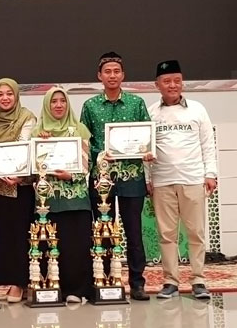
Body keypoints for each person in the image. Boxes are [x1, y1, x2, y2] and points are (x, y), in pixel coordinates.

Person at [80, 51, 154, 301]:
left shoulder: (136, 103)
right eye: (107, 71)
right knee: (103, 229)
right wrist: (96, 161)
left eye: (116, 71)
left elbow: (147, 137)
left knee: (134, 231)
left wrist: (147, 152)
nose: (112, 75)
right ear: (99, 76)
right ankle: (107, 279)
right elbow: (84, 143)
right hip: (102, 179)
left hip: (132, 176)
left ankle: (137, 283)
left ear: (123, 75)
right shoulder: (90, 106)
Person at [147, 60, 217, 300]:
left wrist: (211, 174)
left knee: (196, 232)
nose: (172, 85)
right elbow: (146, 149)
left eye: (177, 80)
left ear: (182, 82)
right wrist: (148, 179)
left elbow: (208, 144)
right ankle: (170, 281)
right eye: (166, 81)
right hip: (162, 181)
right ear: (158, 85)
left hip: (193, 179)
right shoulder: (151, 112)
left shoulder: (197, 109)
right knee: (167, 234)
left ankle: (198, 280)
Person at [32, 87, 93, 303]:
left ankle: (78, 291)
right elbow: (32, 168)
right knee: (51, 247)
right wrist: (40, 145)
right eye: (53, 101)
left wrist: (72, 176)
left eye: (62, 101)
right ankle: (52, 288)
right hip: (47, 202)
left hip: (76, 200)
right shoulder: (37, 133)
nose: (58, 105)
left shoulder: (80, 130)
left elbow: (88, 165)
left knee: (77, 247)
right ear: (47, 105)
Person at [0, 78, 36, 303]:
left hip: (21, 186)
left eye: (9, 94)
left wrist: (17, 174)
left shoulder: (27, 117)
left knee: (20, 236)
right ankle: (8, 280)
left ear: (17, 96)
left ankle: (20, 283)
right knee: (3, 236)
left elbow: (25, 146)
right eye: (0, 94)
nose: (5, 98)